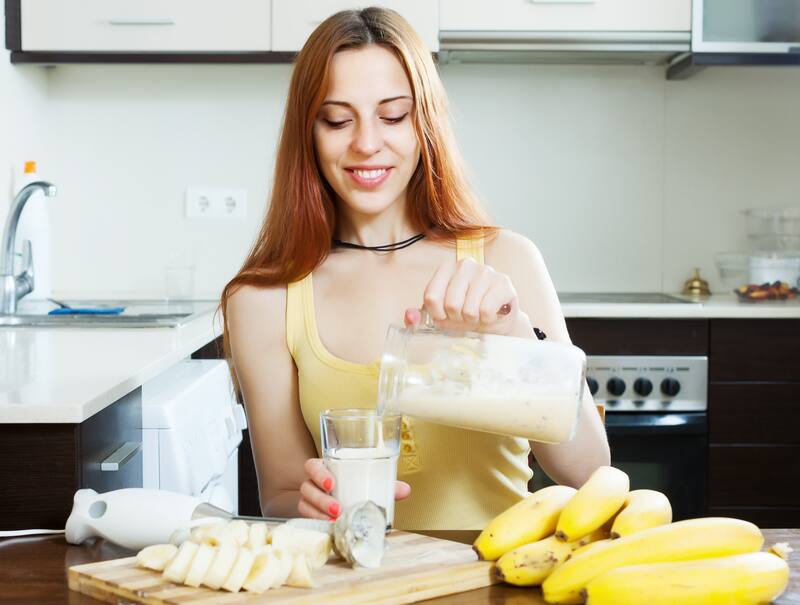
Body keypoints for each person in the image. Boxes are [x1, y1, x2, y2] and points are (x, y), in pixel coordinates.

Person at [221, 7, 609, 530]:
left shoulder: (505, 261)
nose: (365, 142)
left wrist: (513, 334)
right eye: (337, 119)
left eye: (393, 115)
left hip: (497, 578)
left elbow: (589, 474)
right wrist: (317, 502)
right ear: (308, 132)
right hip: (361, 580)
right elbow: (283, 495)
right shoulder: (263, 299)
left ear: (424, 120)